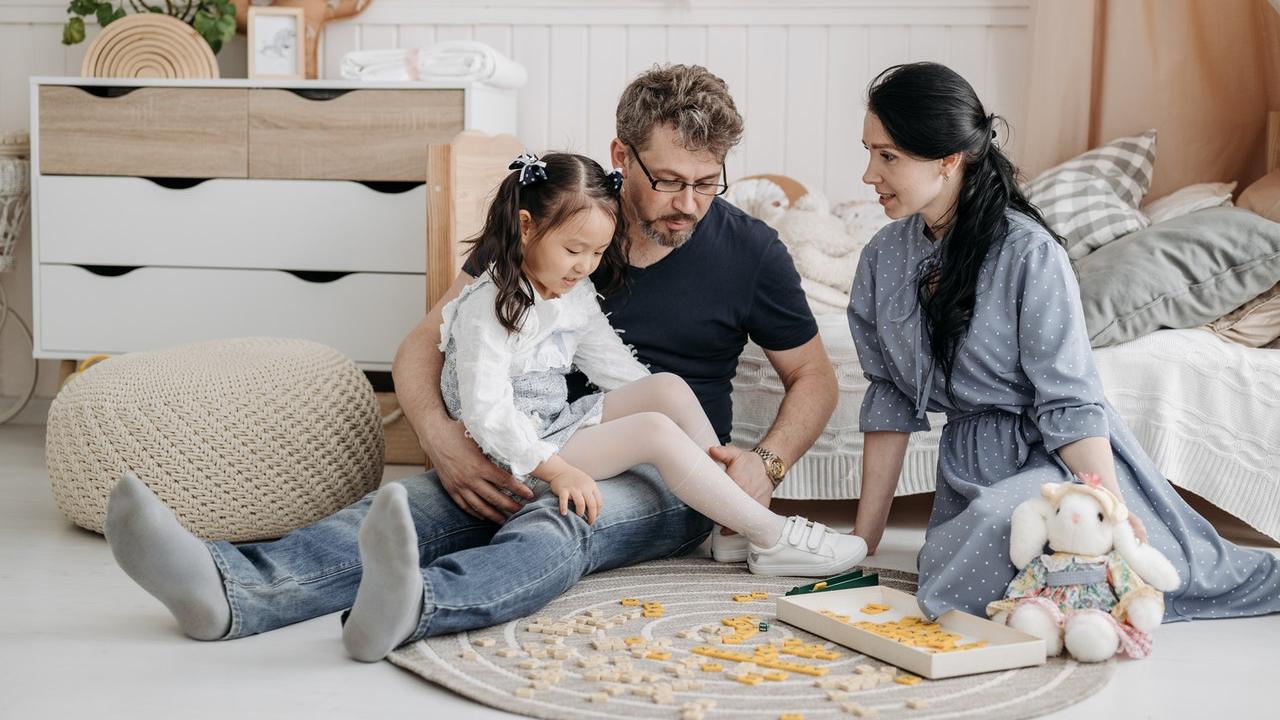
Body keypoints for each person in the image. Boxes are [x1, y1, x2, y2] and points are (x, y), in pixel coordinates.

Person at [102, 64, 841, 661]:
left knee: (561, 521)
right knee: (414, 508)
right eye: (671, 179)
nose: (690, 202)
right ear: (622, 157)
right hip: (527, 435)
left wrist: (765, 465)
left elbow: (814, 377)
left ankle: (418, 604)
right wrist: (443, 437)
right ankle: (232, 588)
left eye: (708, 181)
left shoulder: (750, 252)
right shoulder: (556, 216)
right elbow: (431, 337)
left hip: (666, 469)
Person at [846, 61, 1280, 623]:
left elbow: (1071, 403)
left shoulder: (1027, 253)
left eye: (887, 157)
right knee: (956, 559)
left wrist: (1112, 509)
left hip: (1055, 459)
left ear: (948, 159)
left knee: (992, 547)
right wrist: (864, 541)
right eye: (869, 152)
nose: (868, 175)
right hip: (971, 466)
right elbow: (891, 396)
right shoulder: (884, 255)